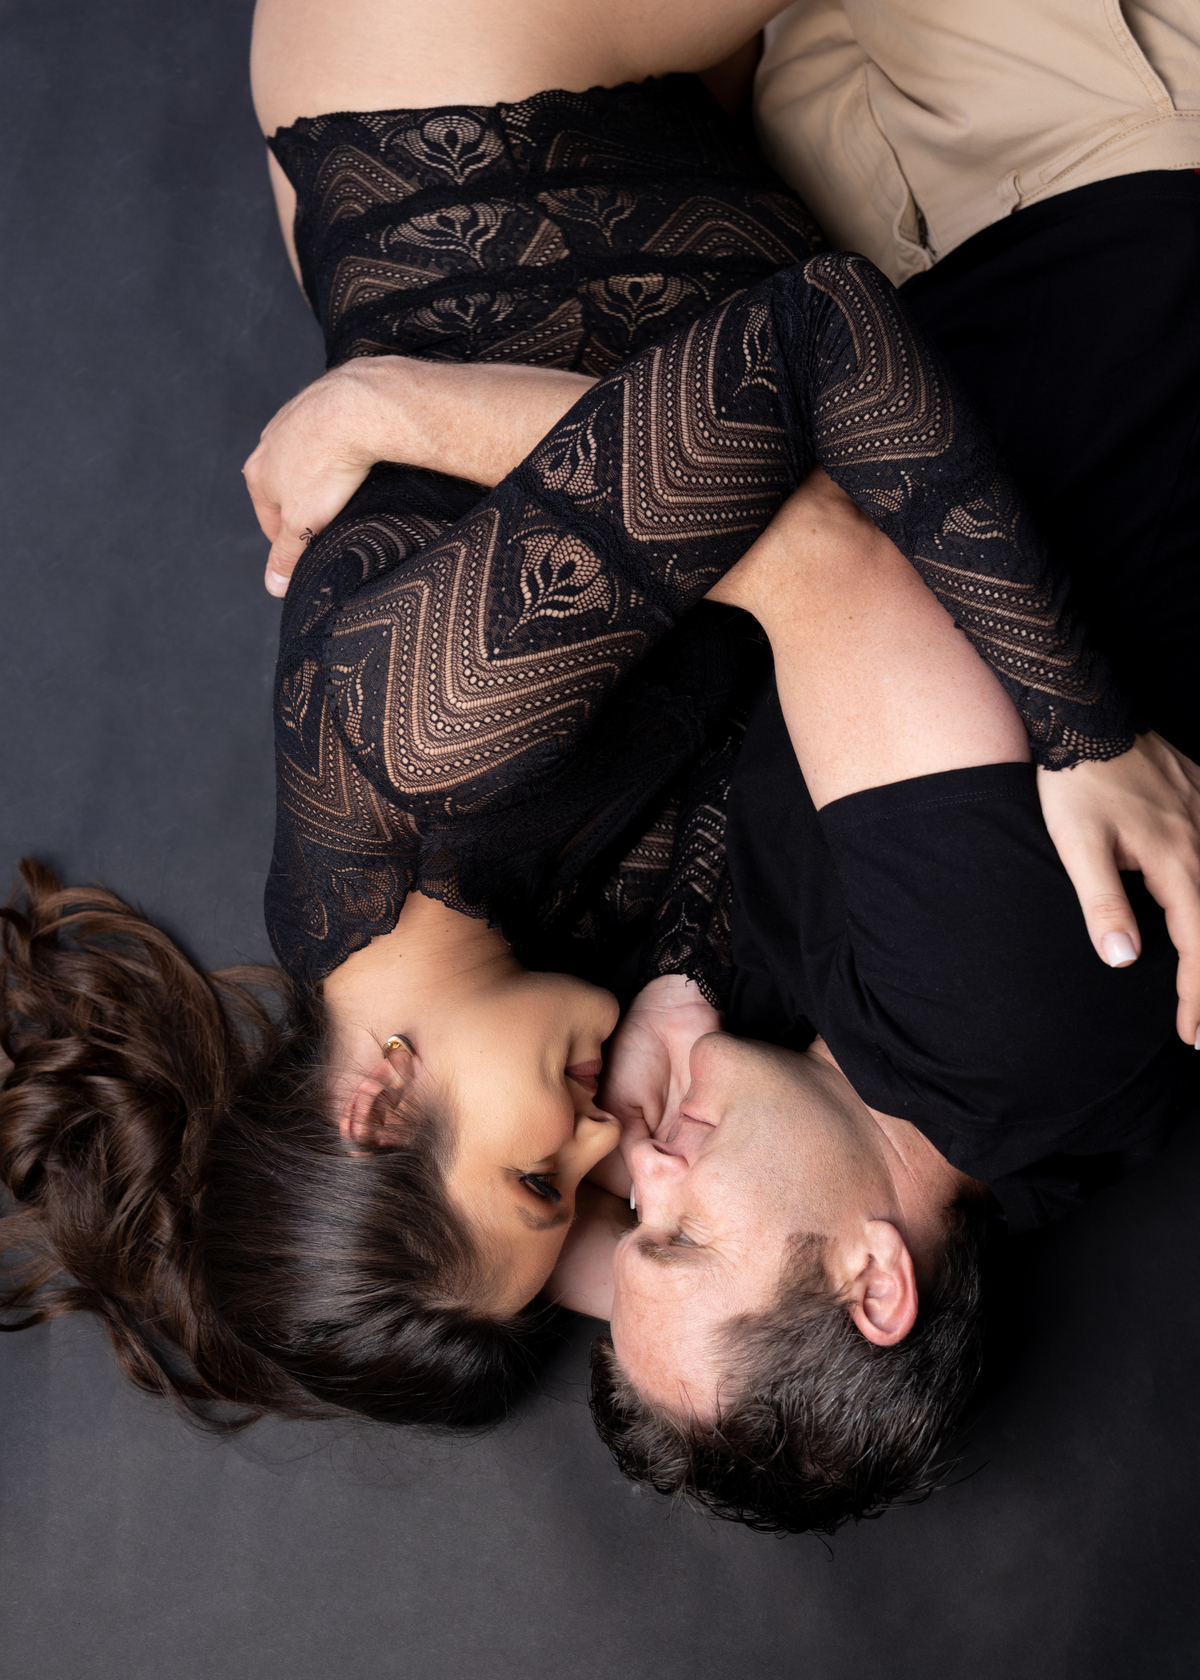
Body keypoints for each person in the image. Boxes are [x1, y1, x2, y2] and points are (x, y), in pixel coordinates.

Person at [3, 0, 1197, 1445]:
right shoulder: (476, 981)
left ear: (375, 1103)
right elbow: (619, 1250)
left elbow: (814, 340)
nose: (616, 1149)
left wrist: (1084, 731)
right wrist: (634, 1102)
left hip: (474, 83)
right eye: (611, 1202)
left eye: (549, 1177)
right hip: (691, 160)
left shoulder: (416, 738)